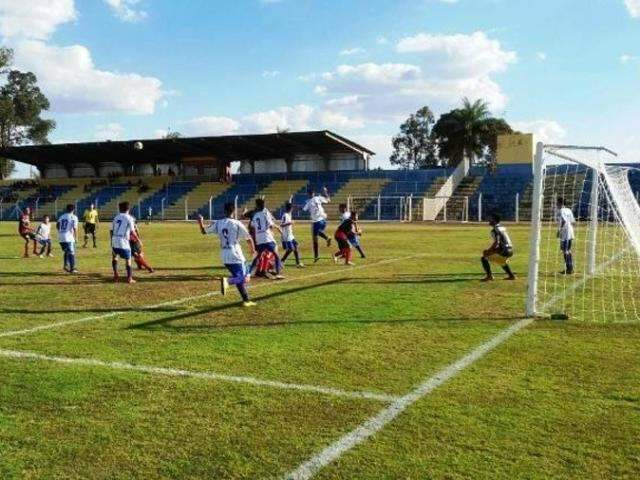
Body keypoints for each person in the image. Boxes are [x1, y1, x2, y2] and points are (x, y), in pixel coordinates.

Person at [197, 203, 257, 307]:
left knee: (238, 276)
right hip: (235, 254)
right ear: (234, 212)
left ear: (224, 211)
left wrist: (200, 222)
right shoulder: (237, 223)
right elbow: (248, 238)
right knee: (246, 277)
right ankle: (227, 281)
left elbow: (203, 231)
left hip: (224, 255)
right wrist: (253, 250)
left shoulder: (218, 223)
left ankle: (246, 300)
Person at [249, 198, 284, 279]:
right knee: (276, 254)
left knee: (258, 256)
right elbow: (271, 225)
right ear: (263, 206)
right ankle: (278, 273)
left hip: (259, 239)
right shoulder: (265, 214)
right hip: (267, 238)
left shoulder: (255, 215)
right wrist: (275, 228)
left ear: (257, 206)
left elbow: (252, 226)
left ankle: (249, 273)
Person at [480, 213, 516, 281]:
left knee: (484, 258)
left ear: (494, 220)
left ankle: (489, 276)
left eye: (490, 219)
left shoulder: (495, 230)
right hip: (510, 250)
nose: (489, 220)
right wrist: (493, 250)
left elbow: (497, 242)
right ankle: (511, 276)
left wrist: (489, 251)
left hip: (504, 250)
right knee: (501, 260)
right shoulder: (502, 227)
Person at [110, 202, 138, 283]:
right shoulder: (129, 218)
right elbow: (133, 231)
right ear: (128, 209)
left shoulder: (116, 217)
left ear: (119, 209)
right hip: (124, 241)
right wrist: (138, 240)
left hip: (115, 240)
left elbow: (111, 230)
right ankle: (129, 278)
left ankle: (115, 275)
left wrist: (111, 241)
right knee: (128, 260)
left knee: (115, 257)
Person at [302, 187, 331, 262]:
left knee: (315, 239)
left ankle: (316, 256)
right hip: (324, 220)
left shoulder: (309, 202)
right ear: (314, 193)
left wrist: (294, 207)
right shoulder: (318, 198)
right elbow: (328, 200)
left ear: (308, 194)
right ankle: (326, 238)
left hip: (316, 221)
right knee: (317, 234)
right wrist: (326, 192)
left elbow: (303, 209)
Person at [280, 202, 304, 268]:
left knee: (295, 247)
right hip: (287, 236)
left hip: (290, 235)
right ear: (291, 209)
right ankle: (281, 261)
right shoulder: (285, 215)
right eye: (292, 208)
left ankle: (298, 263)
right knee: (291, 249)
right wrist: (290, 223)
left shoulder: (288, 214)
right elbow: (281, 225)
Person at [57, 204, 79, 273]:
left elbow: (57, 225)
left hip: (61, 237)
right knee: (71, 252)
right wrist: (76, 237)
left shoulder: (62, 216)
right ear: (73, 210)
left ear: (66, 209)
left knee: (67, 251)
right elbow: (75, 228)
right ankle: (72, 268)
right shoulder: (74, 217)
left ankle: (66, 265)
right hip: (68, 237)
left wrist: (60, 231)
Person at [556, 197, 576, 275]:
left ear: (560, 203)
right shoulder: (569, 210)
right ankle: (570, 268)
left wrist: (559, 230)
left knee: (565, 250)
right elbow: (573, 221)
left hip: (565, 232)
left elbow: (563, 221)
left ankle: (569, 269)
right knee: (568, 250)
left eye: (557, 203)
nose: (556, 204)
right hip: (570, 231)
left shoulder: (561, 211)